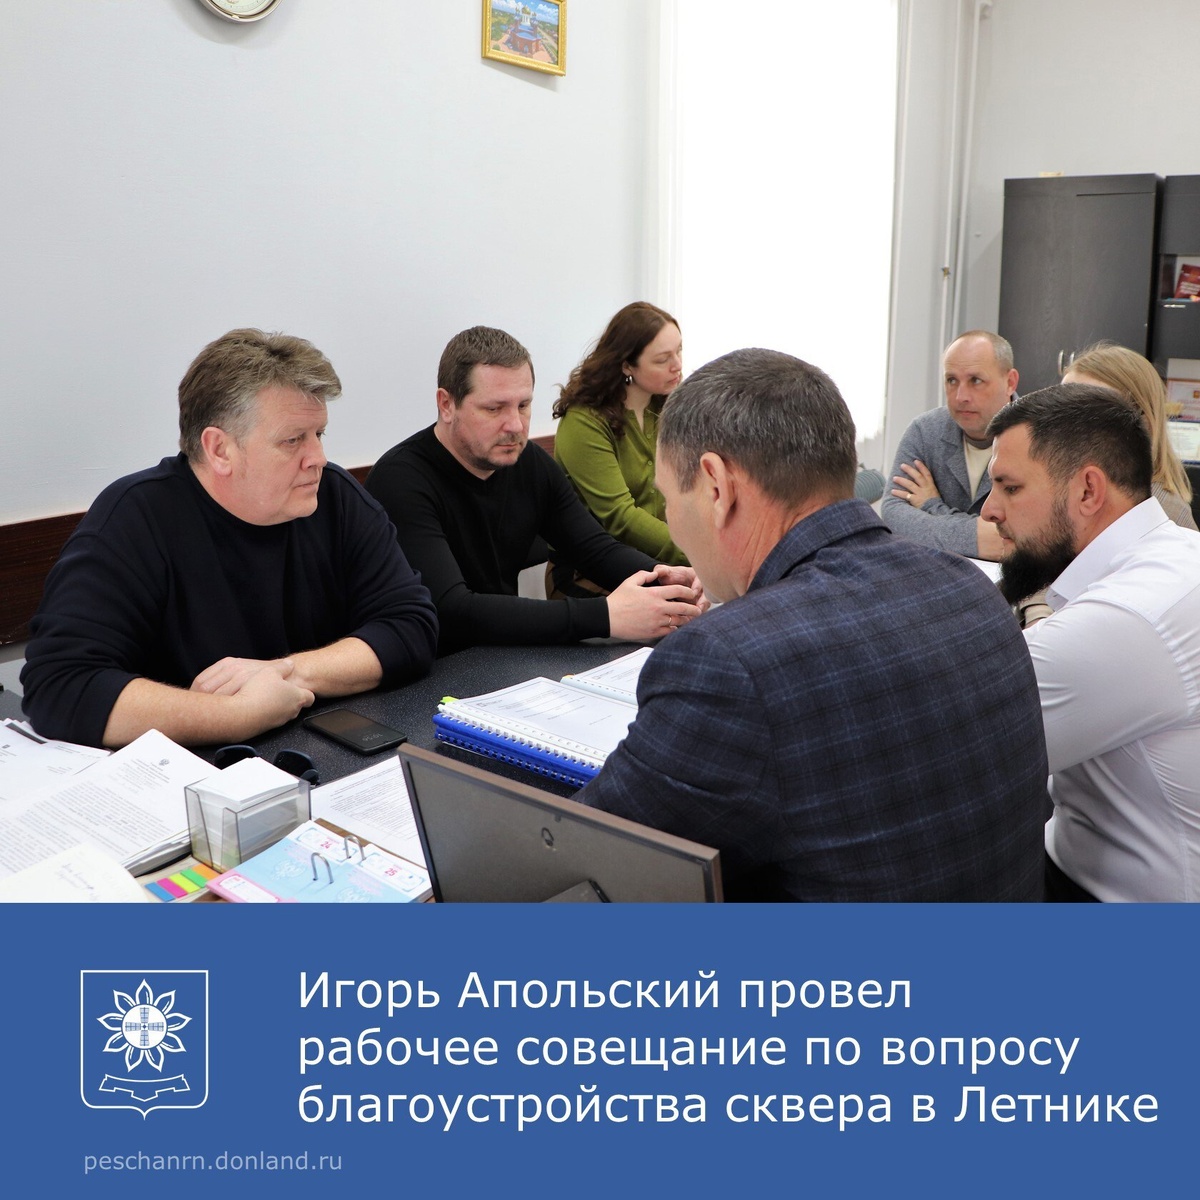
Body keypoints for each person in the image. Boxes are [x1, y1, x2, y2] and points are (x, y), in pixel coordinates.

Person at [577, 348, 1048, 902]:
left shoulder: (729, 662)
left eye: (666, 498)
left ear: (715, 486)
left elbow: (588, 857)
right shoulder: (971, 591)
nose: (669, 520)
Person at [21, 329, 439, 749]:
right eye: (293, 440)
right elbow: (60, 686)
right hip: (190, 773)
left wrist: (287, 671)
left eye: (319, 435)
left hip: (318, 752)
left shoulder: (334, 496)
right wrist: (238, 715)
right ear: (220, 449)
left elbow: (410, 626)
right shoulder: (136, 517)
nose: (318, 458)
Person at [983, 384, 1200, 902]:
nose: (989, 511)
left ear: (1087, 491)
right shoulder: (1178, 552)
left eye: (1010, 488)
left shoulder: (1129, 617)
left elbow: (946, 740)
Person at [365, 326, 705, 656]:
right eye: (494, 408)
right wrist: (606, 616)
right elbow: (451, 609)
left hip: (503, 652)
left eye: (523, 405)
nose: (515, 425)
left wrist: (666, 580)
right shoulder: (401, 480)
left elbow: (594, 549)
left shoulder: (528, 462)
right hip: (434, 665)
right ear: (446, 404)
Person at [552, 302, 687, 565]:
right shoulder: (585, 420)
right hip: (596, 567)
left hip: (660, 560)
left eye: (679, 350)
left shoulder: (670, 406)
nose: (677, 365)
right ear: (627, 366)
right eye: (663, 359)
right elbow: (619, 516)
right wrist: (695, 553)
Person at [883, 330, 1018, 559]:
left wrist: (932, 506)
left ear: (1010, 382)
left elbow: (1026, 537)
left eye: (976, 381)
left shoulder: (1038, 438)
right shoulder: (925, 431)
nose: (960, 397)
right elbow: (893, 515)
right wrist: (976, 538)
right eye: (951, 381)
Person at [1062, 341, 1197, 531]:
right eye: (1061, 409)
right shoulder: (1068, 489)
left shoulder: (1162, 513)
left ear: (1143, 421)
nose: (1067, 426)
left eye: (1092, 414)